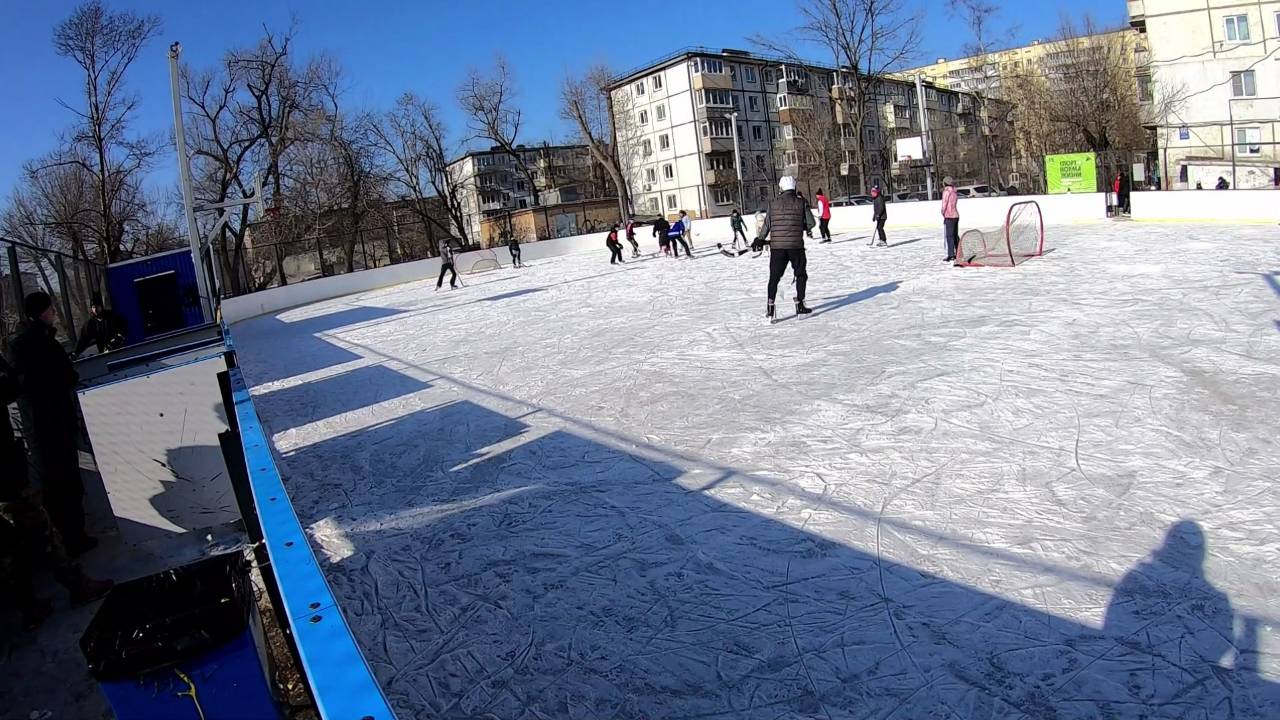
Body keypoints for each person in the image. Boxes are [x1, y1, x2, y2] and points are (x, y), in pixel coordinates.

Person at [2, 355, 113, 628]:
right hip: (6, 476)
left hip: (6, 475)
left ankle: (29, 608)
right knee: (43, 533)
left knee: (11, 547)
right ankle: (77, 586)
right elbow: (12, 388)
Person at [6, 291, 96, 555]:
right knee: (65, 484)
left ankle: (69, 539)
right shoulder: (39, 342)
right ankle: (73, 539)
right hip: (52, 423)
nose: (54, 312)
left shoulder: (21, 345)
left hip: (43, 426)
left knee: (59, 486)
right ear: (42, 312)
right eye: (50, 309)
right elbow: (66, 376)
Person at [753, 176, 815, 320]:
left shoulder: (773, 203)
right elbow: (811, 223)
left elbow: (767, 225)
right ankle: (800, 304)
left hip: (777, 247)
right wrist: (801, 227)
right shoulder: (801, 202)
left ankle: (770, 308)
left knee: (774, 278)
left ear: (780, 188)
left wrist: (760, 239)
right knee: (800, 275)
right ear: (794, 187)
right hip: (796, 246)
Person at [73, 293, 127, 357]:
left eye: (97, 306)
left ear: (101, 306)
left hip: (119, 352)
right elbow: (82, 340)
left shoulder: (112, 318)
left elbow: (122, 332)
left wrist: (113, 343)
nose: (95, 309)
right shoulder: (90, 324)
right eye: (93, 307)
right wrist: (75, 353)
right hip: (104, 355)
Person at [941, 176, 960, 262]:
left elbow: (944, 204)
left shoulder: (946, 192)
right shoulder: (954, 191)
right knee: (955, 235)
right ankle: (959, 252)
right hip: (956, 215)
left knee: (949, 236)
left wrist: (943, 212)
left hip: (949, 216)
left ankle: (951, 254)